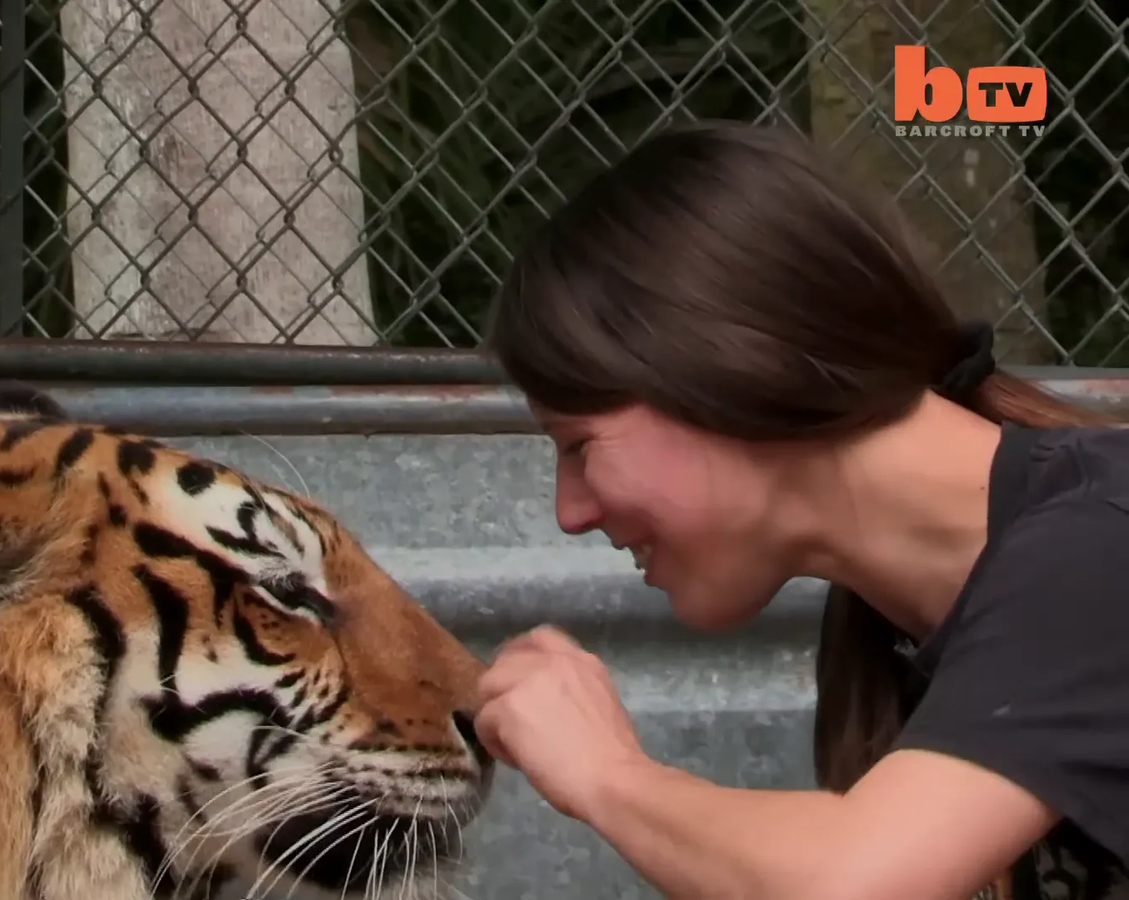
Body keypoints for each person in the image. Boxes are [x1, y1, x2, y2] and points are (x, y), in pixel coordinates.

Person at [471, 120, 1129, 900]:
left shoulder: (1102, 543)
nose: (569, 513)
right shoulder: (885, 638)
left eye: (578, 445)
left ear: (727, 370)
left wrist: (607, 774)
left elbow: (851, 885)